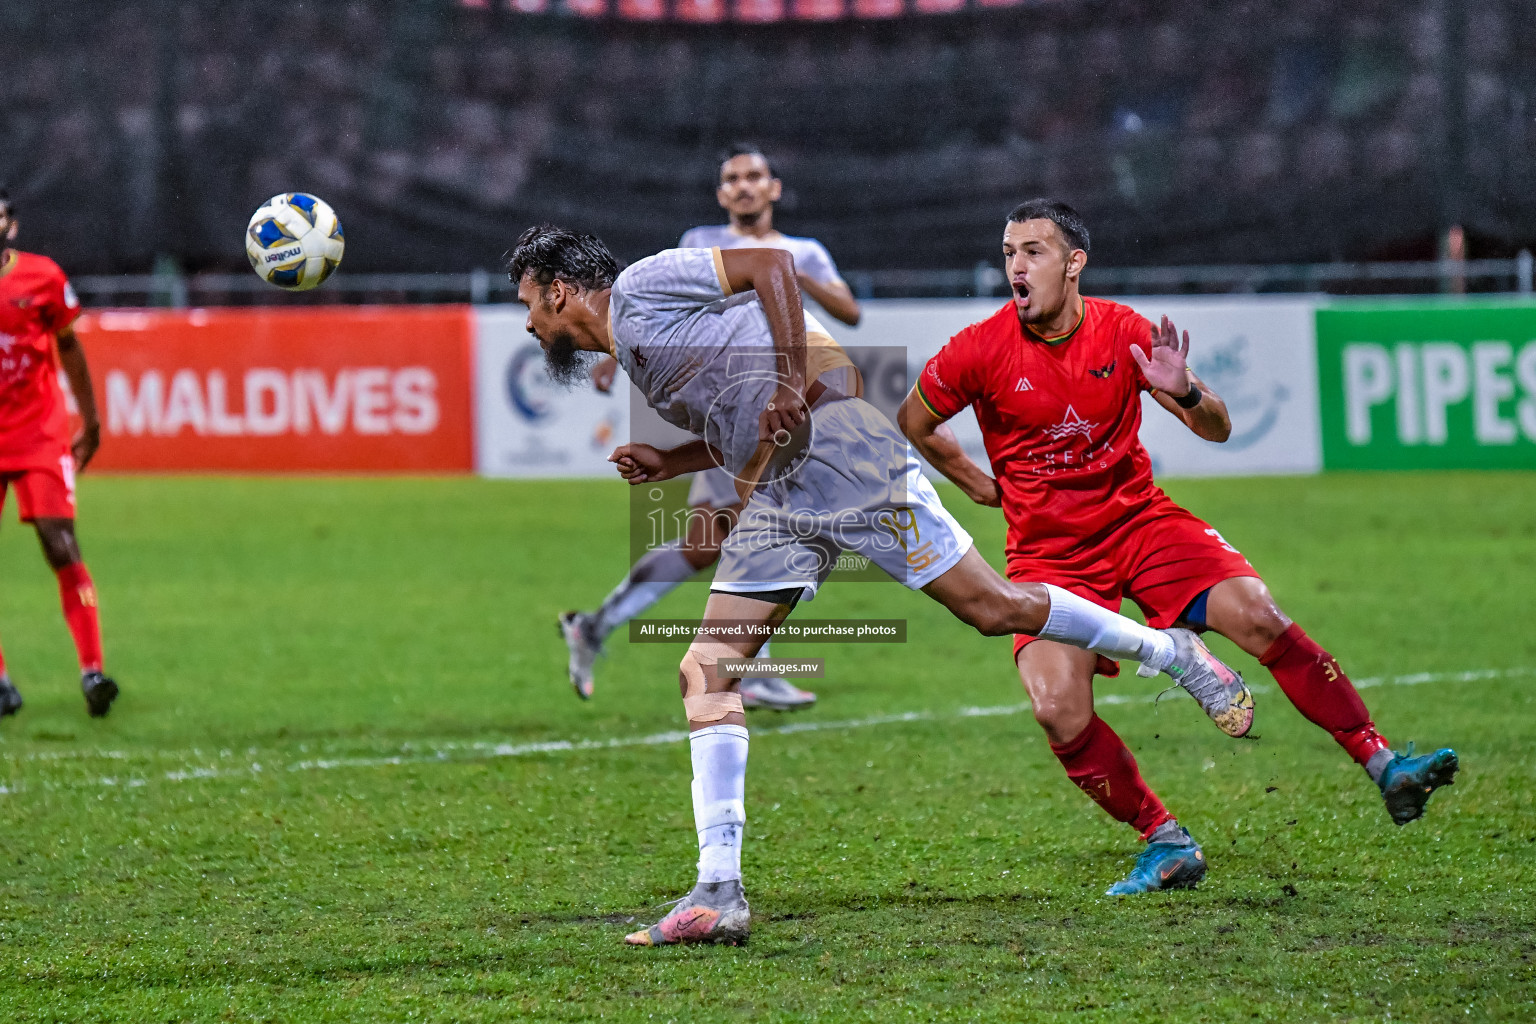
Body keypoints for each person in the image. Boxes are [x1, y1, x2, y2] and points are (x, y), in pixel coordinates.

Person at [509, 224, 1250, 945]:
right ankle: (718, 893)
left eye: (527, 305)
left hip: (840, 448)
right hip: (783, 492)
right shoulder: (636, 353)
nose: (529, 324)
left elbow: (768, 264)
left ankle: (1170, 653)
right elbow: (744, 423)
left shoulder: (642, 285)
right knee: (706, 668)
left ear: (560, 290)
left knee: (991, 607)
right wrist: (670, 463)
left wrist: (793, 378)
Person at [899, 199, 1458, 895]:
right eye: (1009, 251)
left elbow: (1218, 429)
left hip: (1140, 525)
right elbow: (915, 421)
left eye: (1034, 252)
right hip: (1049, 557)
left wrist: (1186, 390)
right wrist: (978, 485)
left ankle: (1384, 765)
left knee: (1259, 616)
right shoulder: (979, 349)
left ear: (1074, 264)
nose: (1016, 265)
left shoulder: (1122, 332)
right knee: (1055, 708)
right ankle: (1165, 841)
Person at [560, 145, 863, 712]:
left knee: (715, 542)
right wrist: (608, 357)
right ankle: (750, 666)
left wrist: (789, 272)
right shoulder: (698, 242)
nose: (744, 187)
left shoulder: (802, 251)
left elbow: (849, 311)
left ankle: (599, 626)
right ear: (722, 194)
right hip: (736, 409)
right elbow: (653, 316)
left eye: (754, 177)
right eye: (732, 180)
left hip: (783, 406)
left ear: (774, 188)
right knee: (750, 532)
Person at [0, 186, 118, 718]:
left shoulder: (42, 278)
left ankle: (93, 671)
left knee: (59, 541)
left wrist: (89, 421)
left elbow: (69, 346)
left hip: (38, 431)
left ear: (13, 226)